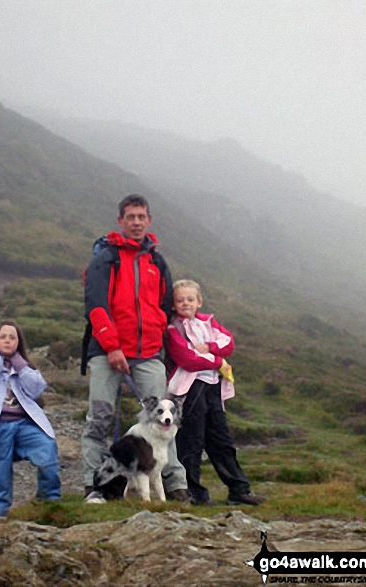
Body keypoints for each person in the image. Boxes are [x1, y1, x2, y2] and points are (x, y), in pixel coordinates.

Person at [81, 193, 188, 502]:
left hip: (148, 353)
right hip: (106, 351)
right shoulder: (106, 258)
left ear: (149, 220)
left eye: (142, 217)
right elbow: (96, 306)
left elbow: (165, 305)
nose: (137, 222)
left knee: (165, 417)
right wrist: (112, 347)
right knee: (99, 418)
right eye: (131, 217)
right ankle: (96, 486)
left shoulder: (156, 260)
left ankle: (174, 484)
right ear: (121, 221)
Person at [166, 279, 265, 506]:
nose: (185, 304)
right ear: (173, 304)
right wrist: (218, 360)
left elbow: (228, 342)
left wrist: (210, 349)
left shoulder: (208, 323)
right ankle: (192, 493)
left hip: (213, 388)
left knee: (221, 439)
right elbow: (187, 360)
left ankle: (239, 490)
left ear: (199, 301)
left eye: (190, 299)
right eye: (180, 300)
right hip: (191, 389)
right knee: (191, 440)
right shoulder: (173, 329)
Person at [0, 320, 61, 516]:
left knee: (47, 453)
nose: (7, 341)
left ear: (19, 342)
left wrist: (20, 364)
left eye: (12, 337)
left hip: (24, 424)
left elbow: (36, 389)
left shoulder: (24, 366)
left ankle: (49, 504)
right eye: (3, 337)